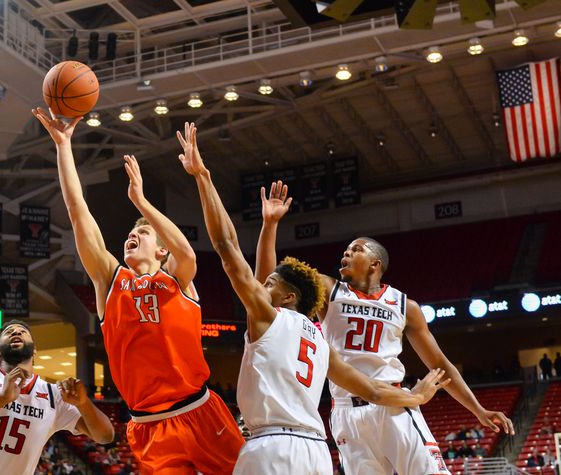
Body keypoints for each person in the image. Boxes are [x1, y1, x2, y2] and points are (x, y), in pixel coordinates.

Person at [177, 122, 450, 474]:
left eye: (270, 283)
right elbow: (375, 391)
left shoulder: (270, 318)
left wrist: (202, 176)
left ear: (288, 297)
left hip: (272, 447)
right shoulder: (321, 345)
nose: (263, 285)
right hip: (317, 451)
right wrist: (418, 396)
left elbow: (227, 249)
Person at [32, 108, 243, 474]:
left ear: (161, 250)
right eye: (131, 232)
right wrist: (64, 146)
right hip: (147, 425)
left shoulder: (177, 278)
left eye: (142, 233)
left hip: (199, 410)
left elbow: (188, 253)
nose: (132, 235)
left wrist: (142, 203)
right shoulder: (110, 281)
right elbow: (77, 211)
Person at [255, 181, 515, 475]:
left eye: (355, 249)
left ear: (374, 263)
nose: (345, 254)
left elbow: (441, 365)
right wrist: (270, 225)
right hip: (345, 412)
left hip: (394, 405)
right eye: (345, 251)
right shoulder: (329, 290)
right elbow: (268, 285)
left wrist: (477, 409)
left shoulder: (407, 307)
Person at [0, 320, 114, 475]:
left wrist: (83, 403)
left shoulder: (53, 395)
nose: (16, 332)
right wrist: (1, 400)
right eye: (9, 332)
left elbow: (105, 436)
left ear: (35, 352)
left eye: (22, 331)